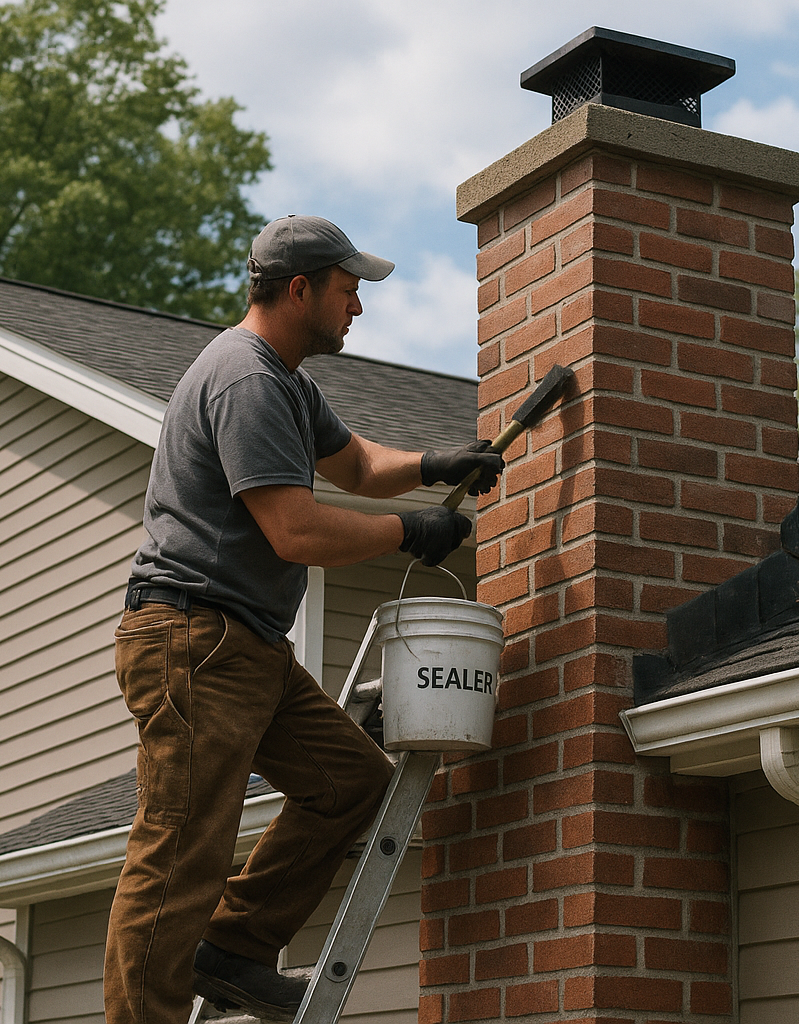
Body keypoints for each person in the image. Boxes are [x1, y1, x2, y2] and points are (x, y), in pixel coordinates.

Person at [104, 215, 505, 1024]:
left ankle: (234, 947)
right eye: (348, 289)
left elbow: (356, 464)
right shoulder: (245, 378)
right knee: (178, 852)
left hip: (243, 643)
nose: (358, 306)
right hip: (196, 642)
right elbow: (295, 529)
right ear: (300, 289)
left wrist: (433, 465)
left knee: (349, 783)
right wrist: (412, 529)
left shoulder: (286, 381)